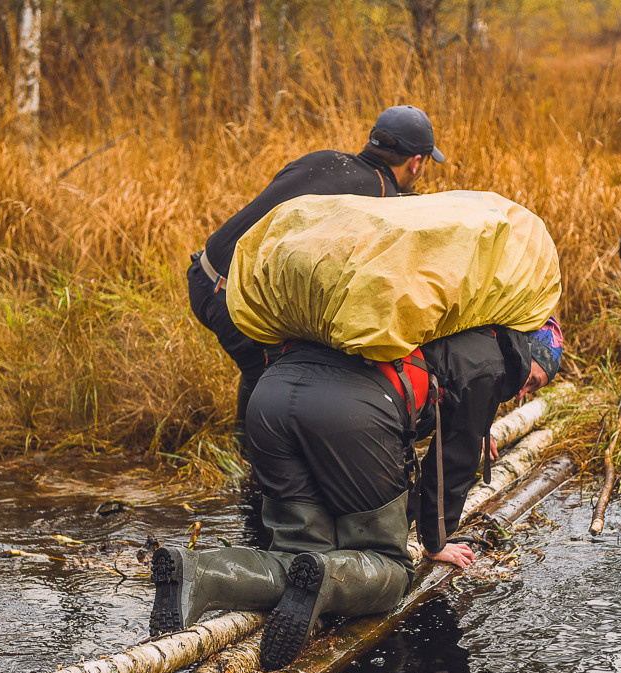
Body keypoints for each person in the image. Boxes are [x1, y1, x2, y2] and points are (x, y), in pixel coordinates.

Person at [150, 318, 564, 671]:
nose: (523, 391)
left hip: (270, 397)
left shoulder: (443, 326)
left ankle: (200, 573)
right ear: (525, 350)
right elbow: (451, 464)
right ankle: (329, 578)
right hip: (351, 412)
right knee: (389, 565)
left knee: (297, 554)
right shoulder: (494, 361)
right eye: (531, 380)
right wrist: (435, 542)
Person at [188, 105, 446, 441]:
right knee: (274, 381)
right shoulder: (383, 200)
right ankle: (257, 478)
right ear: (416, 162)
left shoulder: (322, 159)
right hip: (235, 302)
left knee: (260, 369)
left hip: (202, 275)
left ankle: (245, 455)